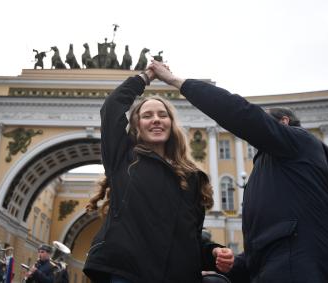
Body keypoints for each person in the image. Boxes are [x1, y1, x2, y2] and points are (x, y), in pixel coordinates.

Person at [149, 60, 328, 282]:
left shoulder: (300, 142)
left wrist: (175, 81)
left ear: (284, 122)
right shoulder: (269, 170)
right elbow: (266, 243)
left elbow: (242, 114)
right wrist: (235, 263)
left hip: (302, 271)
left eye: (265, 119)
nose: (258, 124)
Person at [83, 70, 234, 283]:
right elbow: (112, 107)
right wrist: (145, 76)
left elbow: (188, 240)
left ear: (171, 124)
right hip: (128, 275)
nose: (156, 120)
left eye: (162, 115)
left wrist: (213, 253)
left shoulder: (191, 177)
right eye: (147, 115)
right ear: (136, 126)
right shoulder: (123, 158)